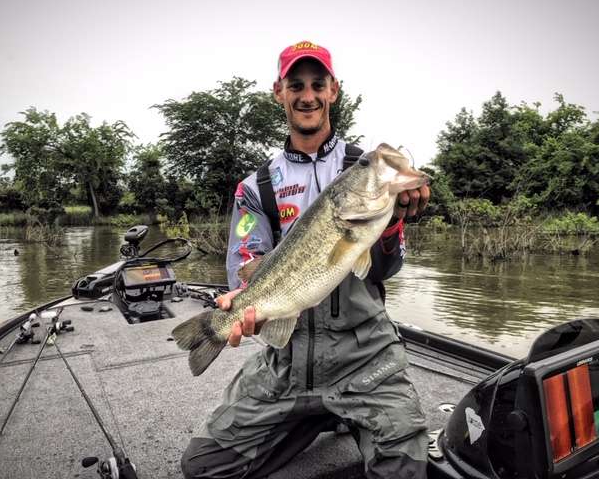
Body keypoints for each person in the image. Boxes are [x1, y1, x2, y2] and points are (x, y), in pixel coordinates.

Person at [181, 40, 431, 479]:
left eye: (318, 84)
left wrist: (393, 224)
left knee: (405, 469)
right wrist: (243, 305)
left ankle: (335, 412)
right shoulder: (256, 187)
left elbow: (386, 269)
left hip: (366, 356)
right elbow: (245, 264)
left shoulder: (360, 168)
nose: (308, 95)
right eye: (296, 85)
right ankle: (313, 416)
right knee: (201, 467)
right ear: (279, 92)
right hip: (288, 362)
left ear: (334, 90)